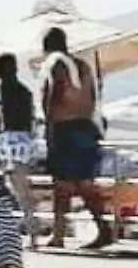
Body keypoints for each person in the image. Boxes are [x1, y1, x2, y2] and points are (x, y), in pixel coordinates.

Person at [39, 26, 111, 249]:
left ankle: (59, 235)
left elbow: (55, 91)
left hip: (64, 127)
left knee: (61, 185)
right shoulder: (82, 65)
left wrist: (48, 123)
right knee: (85, 184)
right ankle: (104, 228)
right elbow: (91, 96)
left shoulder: (55, 63)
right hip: (86, 126)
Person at [0, 53, 42, 249]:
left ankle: (29, 232)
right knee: (22, 191)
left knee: (16, 191)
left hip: (7, 142)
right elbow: (31, 118)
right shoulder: (24, 91)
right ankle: (31, 232)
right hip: (24, 141)